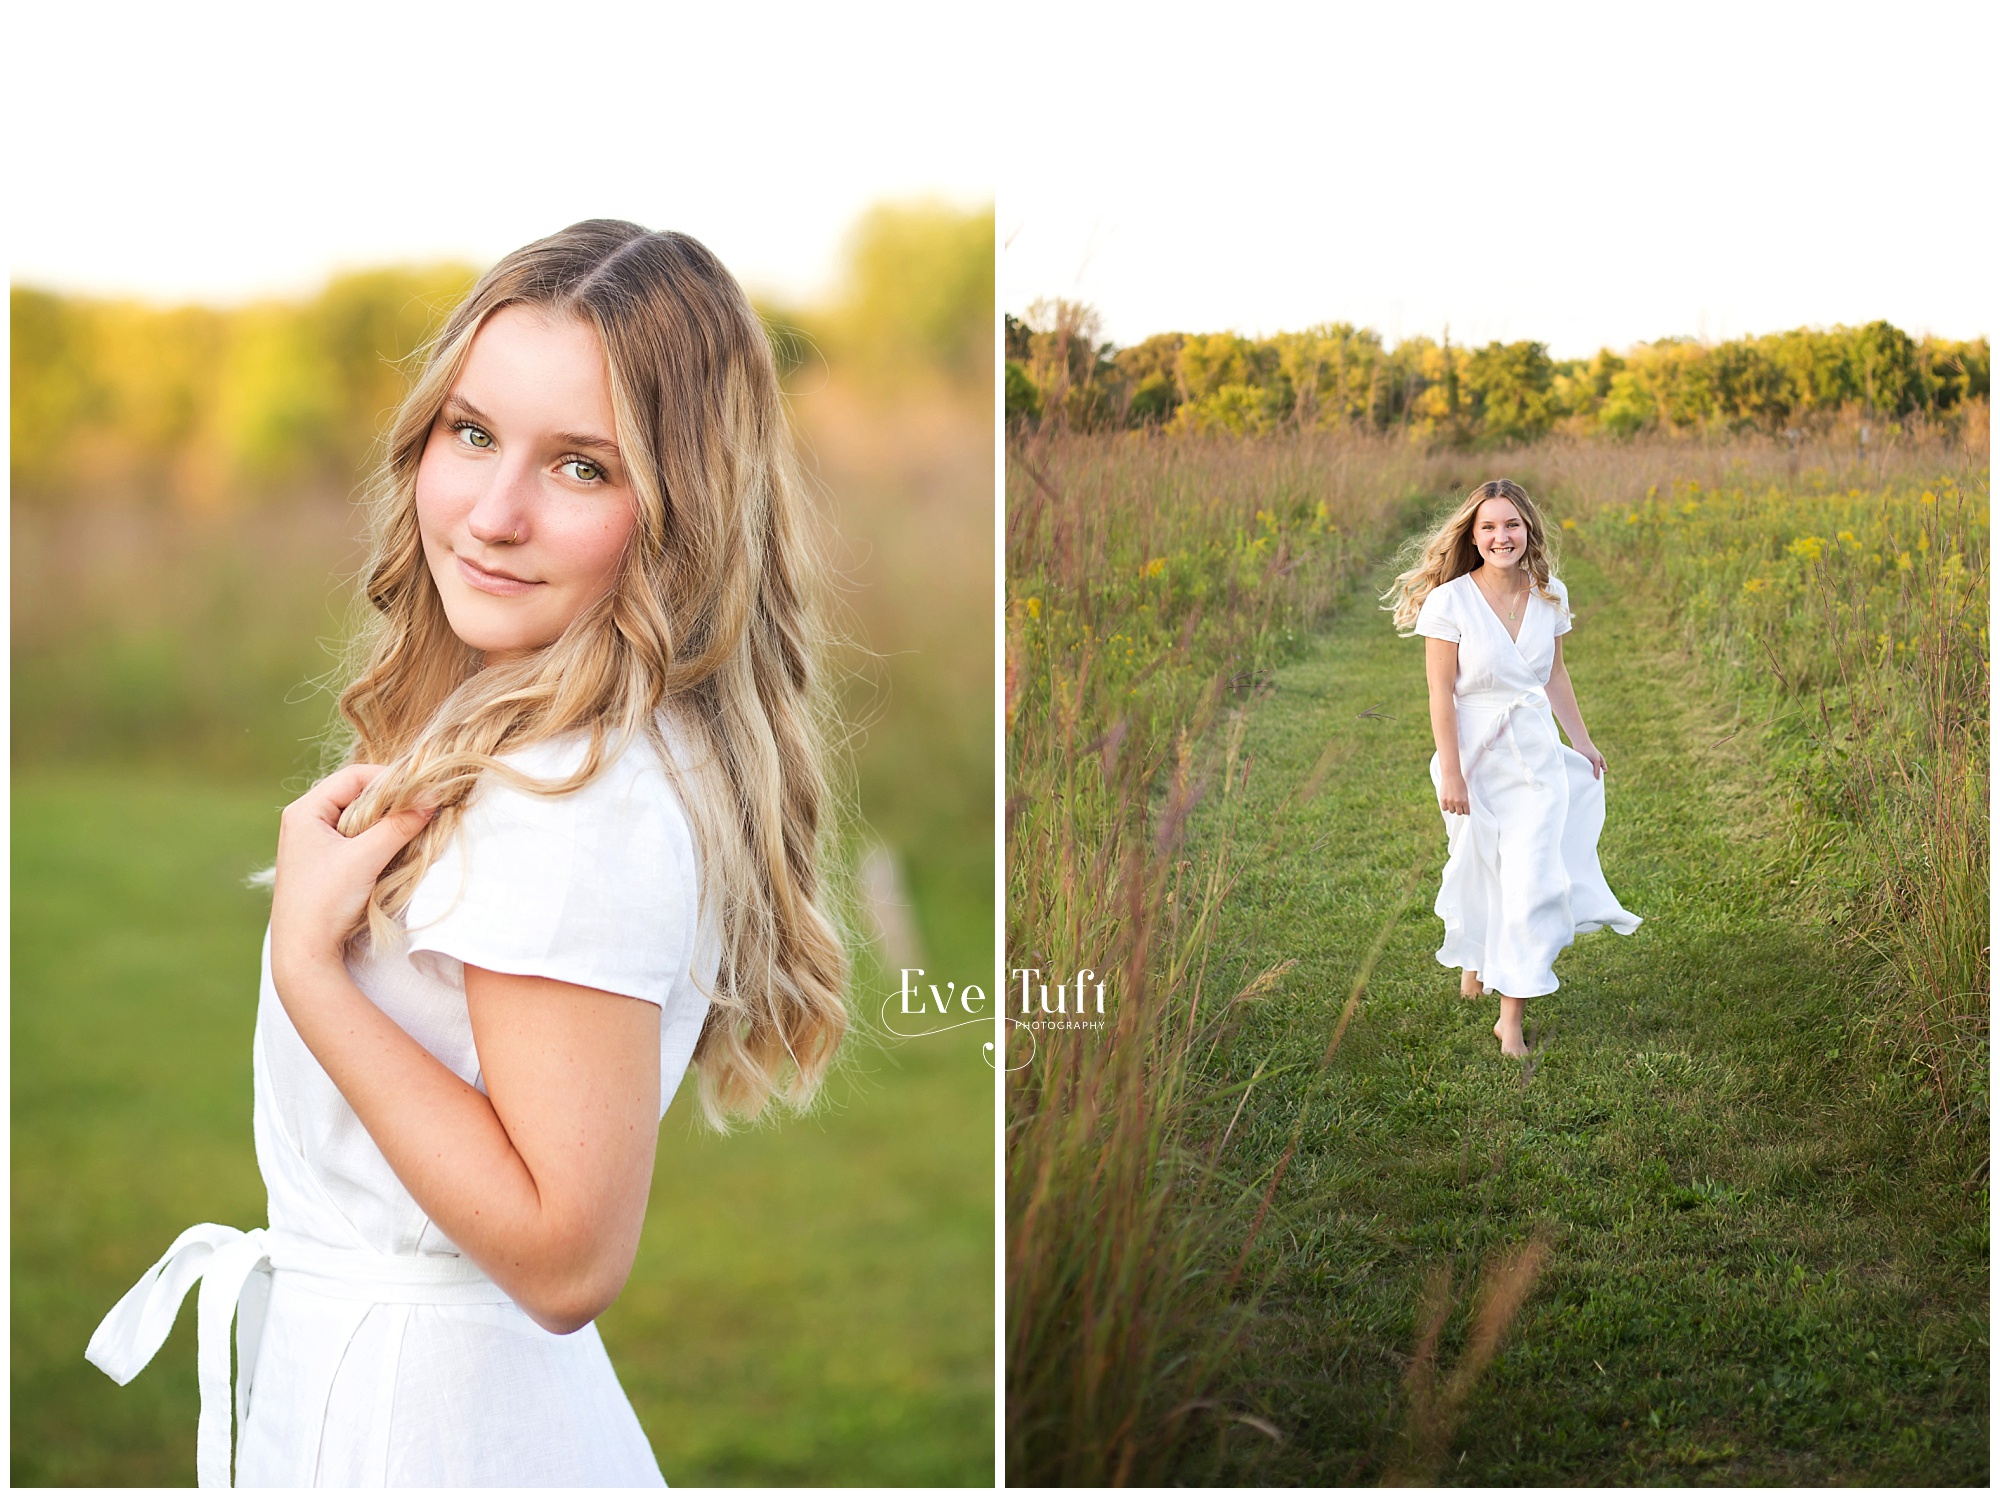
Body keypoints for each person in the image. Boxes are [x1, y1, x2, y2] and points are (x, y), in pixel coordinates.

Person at [85, 221, 849, 1486]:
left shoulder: (569, 792)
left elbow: (566, 1255)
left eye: (582, 466)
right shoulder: (566, 742)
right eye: (473, 434)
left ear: (681, 510)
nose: (492, 515)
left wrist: (313, 974)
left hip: (427, 1431)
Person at [1385, 478, 1640, 1058]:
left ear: (1529, 530)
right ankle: (1475, 959)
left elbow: (1554, 675)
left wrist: (1584, 742)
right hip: (1472, 754)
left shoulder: (1551, 594)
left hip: (1535, 753)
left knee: (1530, 876)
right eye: (1490, 527)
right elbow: (1440, 694)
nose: (1503, 536)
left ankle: (1511, 1018)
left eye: (1512, 525)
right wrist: (1451, 773)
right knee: (1477, 864)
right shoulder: (1449, 602)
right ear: (1473, 537)